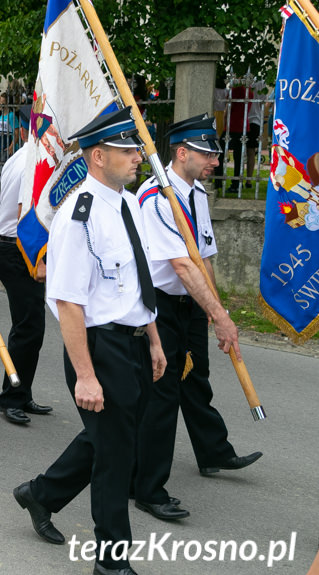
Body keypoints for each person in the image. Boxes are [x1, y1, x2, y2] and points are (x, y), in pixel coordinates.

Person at [12, 108, 165, 575]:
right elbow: (69, 302)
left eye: (135, 148)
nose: (138, 156)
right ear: (98, 156)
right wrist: (85, 375)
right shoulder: (78, 215)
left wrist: (154, 339)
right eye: (127, 150)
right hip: (101, 347)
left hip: (135, 340)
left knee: (110, 438)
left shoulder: (129, 203)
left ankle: (41, 494)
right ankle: (112, 562)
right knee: (117, 455)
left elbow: (138, 282)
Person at [133, 114, 262, 521]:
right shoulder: (155, 196)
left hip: (191, 305)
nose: (216, 162)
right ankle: (148, 488)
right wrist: (221, 317)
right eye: (207, 154)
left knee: (195, 377)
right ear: (182, 152)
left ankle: (212, 452)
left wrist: (214, 308)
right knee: (163, 395)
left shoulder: (198, 193)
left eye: (216, 154)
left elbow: (203, 257)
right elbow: (181, 266)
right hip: (160, 304)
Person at [0, 105, 51, 425]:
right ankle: (11, 397)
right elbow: (22, 213)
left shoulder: (29, 156)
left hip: (18, 249)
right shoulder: (32, 162)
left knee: (31, 327)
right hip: (18, 250)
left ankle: (21, 392)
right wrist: (37, 258)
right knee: (28, 328)